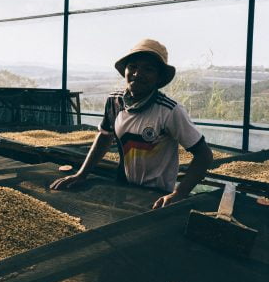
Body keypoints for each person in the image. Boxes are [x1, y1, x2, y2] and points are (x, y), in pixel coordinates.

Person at [50, 38, 213, 208]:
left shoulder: (170, 111)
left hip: (158, 195)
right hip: (123, 187)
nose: (137, 74)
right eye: (133, 67)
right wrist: (82, 174)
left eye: (148, 69)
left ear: (158, 77)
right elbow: (104, 137)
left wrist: (179, 193)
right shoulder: (114, 101)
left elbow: (204, 155)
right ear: (125, 70)